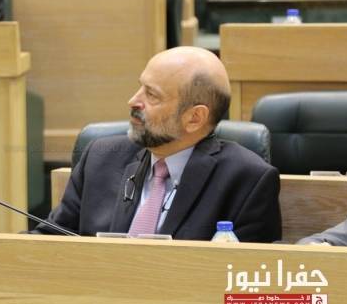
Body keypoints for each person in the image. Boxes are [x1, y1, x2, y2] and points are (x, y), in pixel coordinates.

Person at [32, 47, 282, 242]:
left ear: (194, 118)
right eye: (140, 87)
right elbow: (49, 240)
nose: (133, 101)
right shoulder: (100, 158)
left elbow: (246, 274)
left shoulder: (246, 180)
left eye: (151, 95)